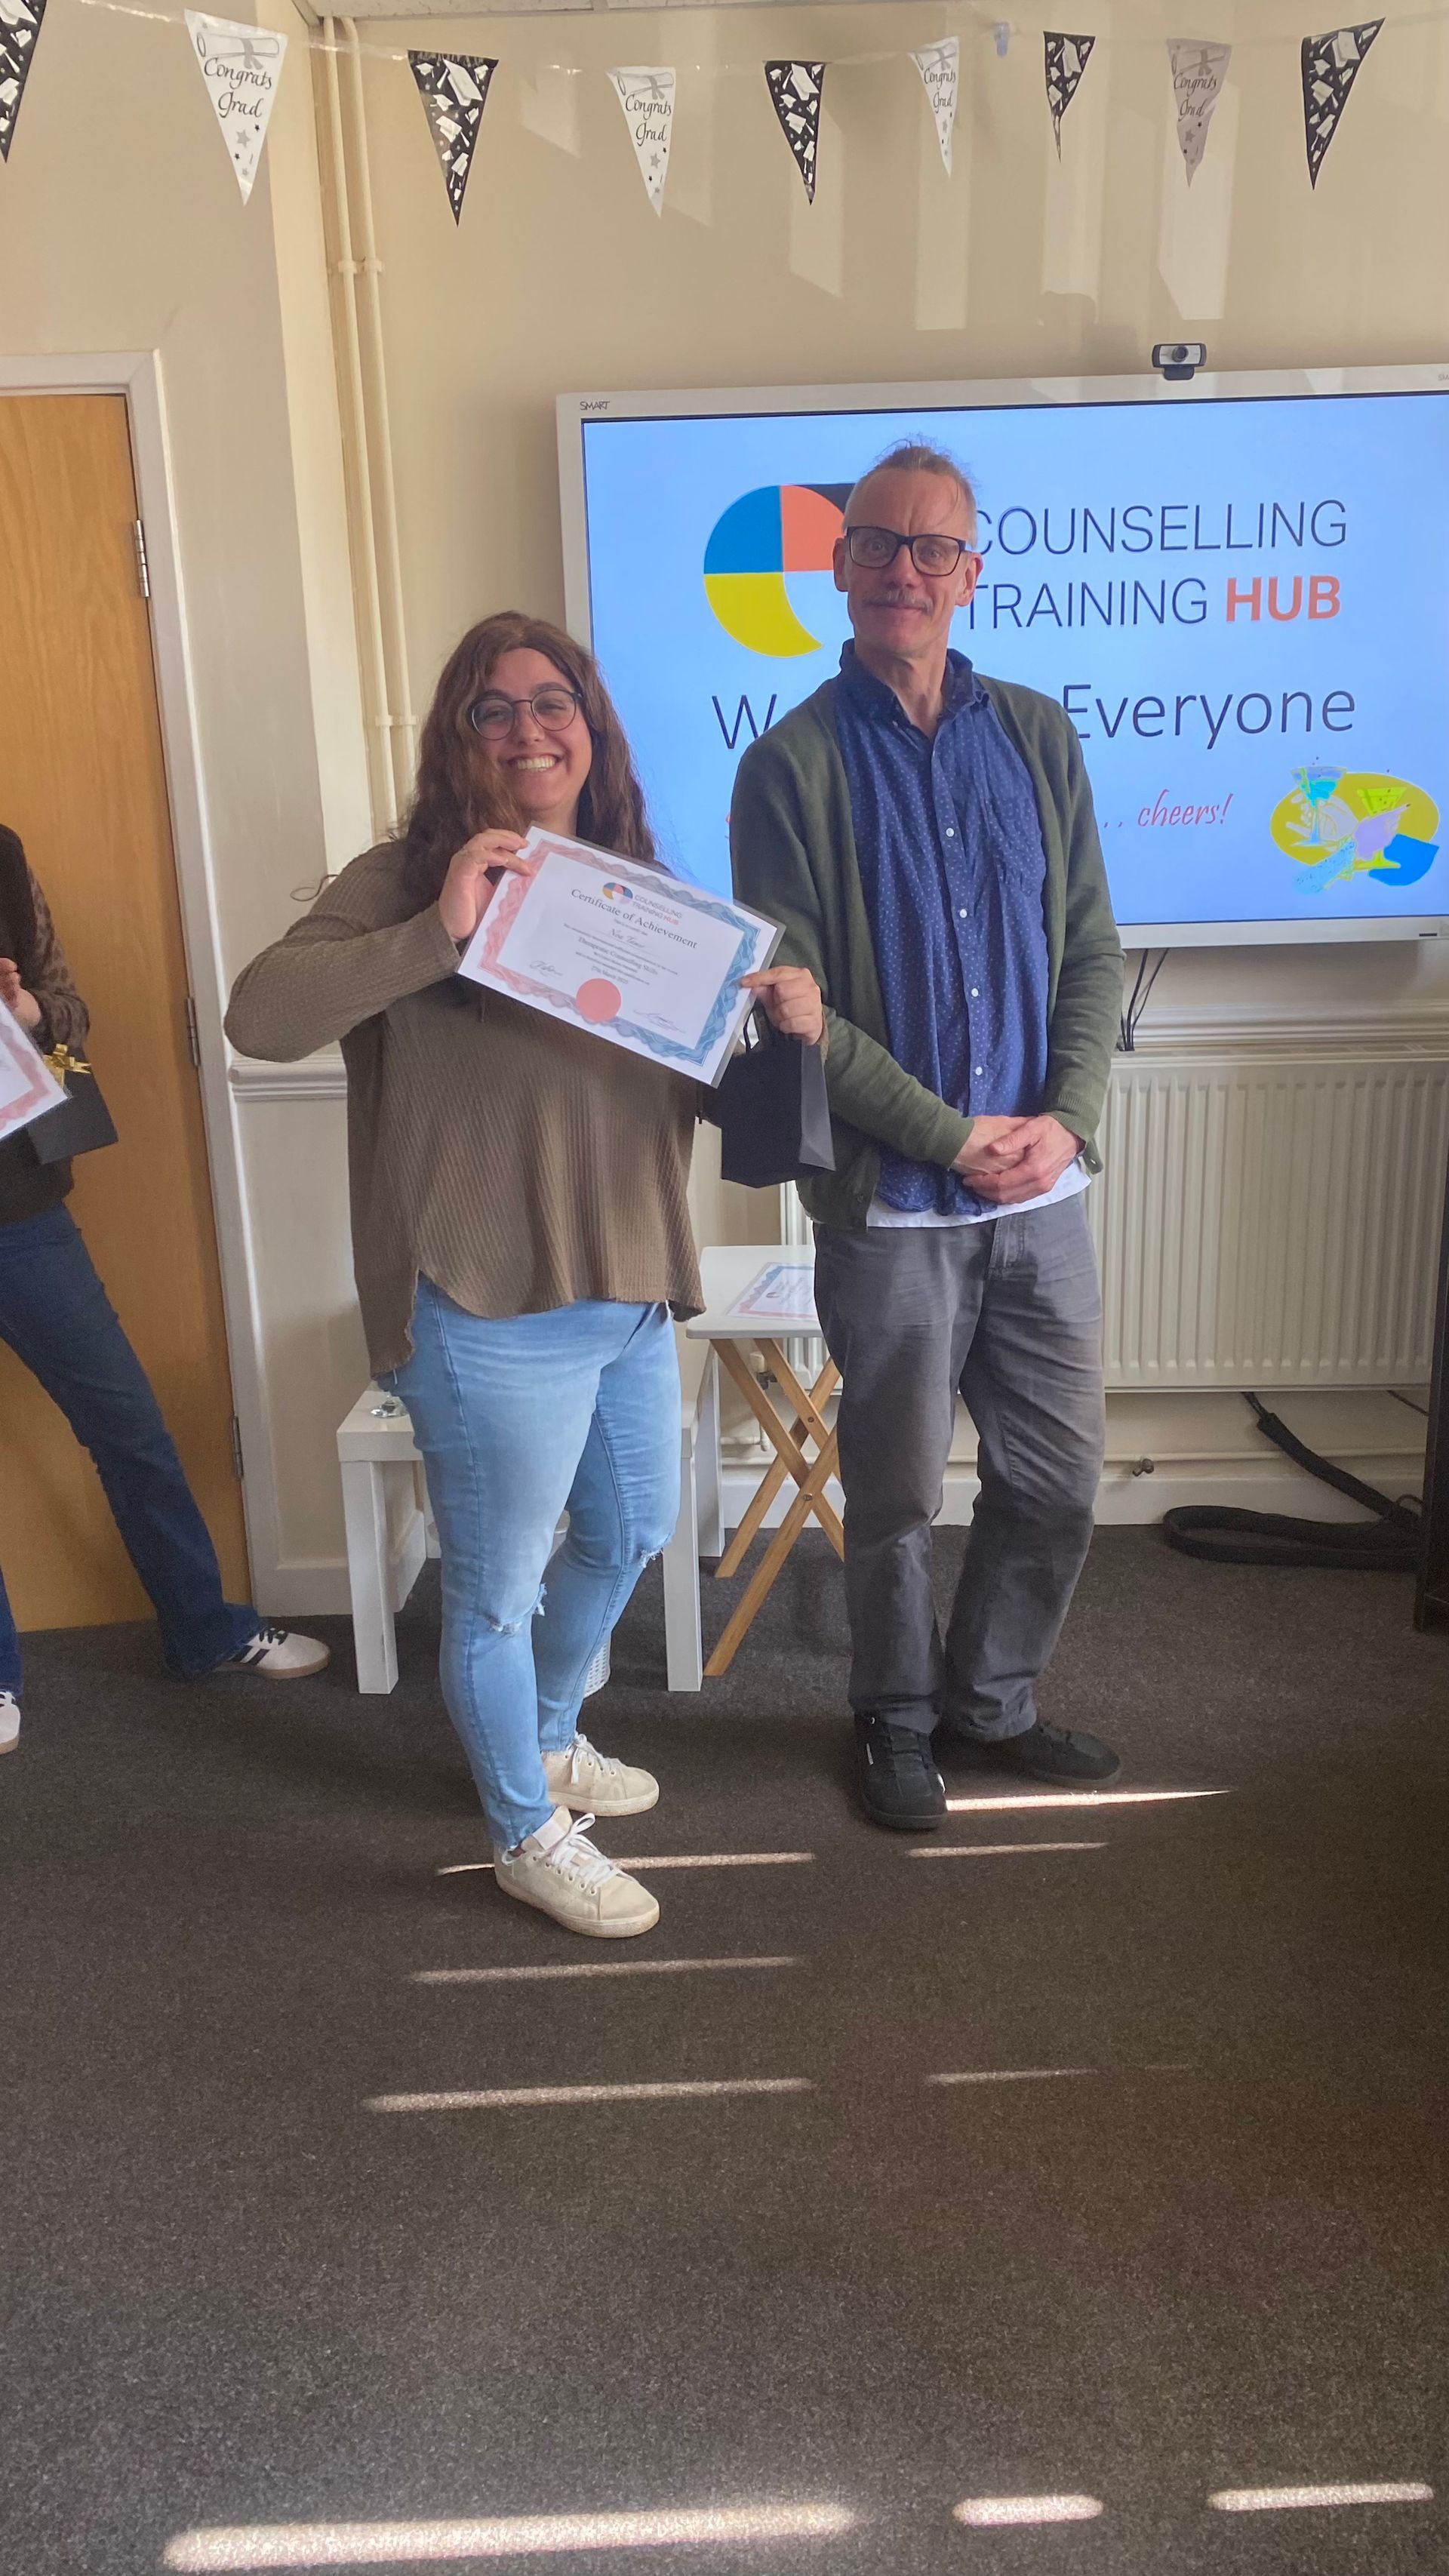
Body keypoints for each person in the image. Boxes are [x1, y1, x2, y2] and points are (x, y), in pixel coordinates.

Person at [226, 614, 822, 1937]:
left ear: (592, 729)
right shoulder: (402, 879)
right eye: (494, 709)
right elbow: (258, 1018)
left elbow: (713, 1097)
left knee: (630, 1531)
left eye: (555, 703)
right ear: (459, 738)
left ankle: (548, 1735)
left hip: (625, 1282)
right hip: (481, 1297)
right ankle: (521, 1830)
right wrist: (439, 927)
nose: (530, 730)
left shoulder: (639, 893)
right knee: (492, 1592)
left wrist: (782, 1029)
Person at [730, 442, 1124, 1833]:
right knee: (894, 1494)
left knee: (1059, 1474)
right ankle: (895, 1717)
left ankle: (992, 1702)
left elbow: (1090, 948)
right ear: (838, 566)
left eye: (933, 547)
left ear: (971, 569)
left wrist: (1065, 1118)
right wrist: (956, 1137)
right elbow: (801, 1014)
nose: (906, 568)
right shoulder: (788, 766)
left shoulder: (1036, 735)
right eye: (881, 544)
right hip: (896, 1204)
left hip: (1044, 1197)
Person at [0, 826, 328, 1756]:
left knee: (127, 1426)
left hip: (18, 1207)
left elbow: (69, 1010)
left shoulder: (2, 854)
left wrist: (26, 1013)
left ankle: (204, 1629)